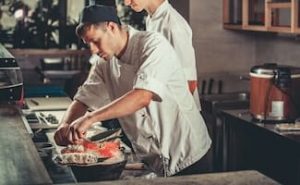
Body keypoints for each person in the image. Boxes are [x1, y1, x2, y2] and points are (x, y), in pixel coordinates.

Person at [54, 5, 211, 177]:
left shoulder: (152, 45)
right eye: (88, 44)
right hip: (155, 161)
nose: (92, 50)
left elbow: (142, 96)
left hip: (189, 154)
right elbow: (83, 99)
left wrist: (90, 118)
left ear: (111, 27)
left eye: (96, 41)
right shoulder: (103, 63)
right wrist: (64, 125)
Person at [123, 0, 201, 110]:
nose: (127, 2)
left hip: (181, 113)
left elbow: (190, 82)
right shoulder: (151, 19)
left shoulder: (173, 25)